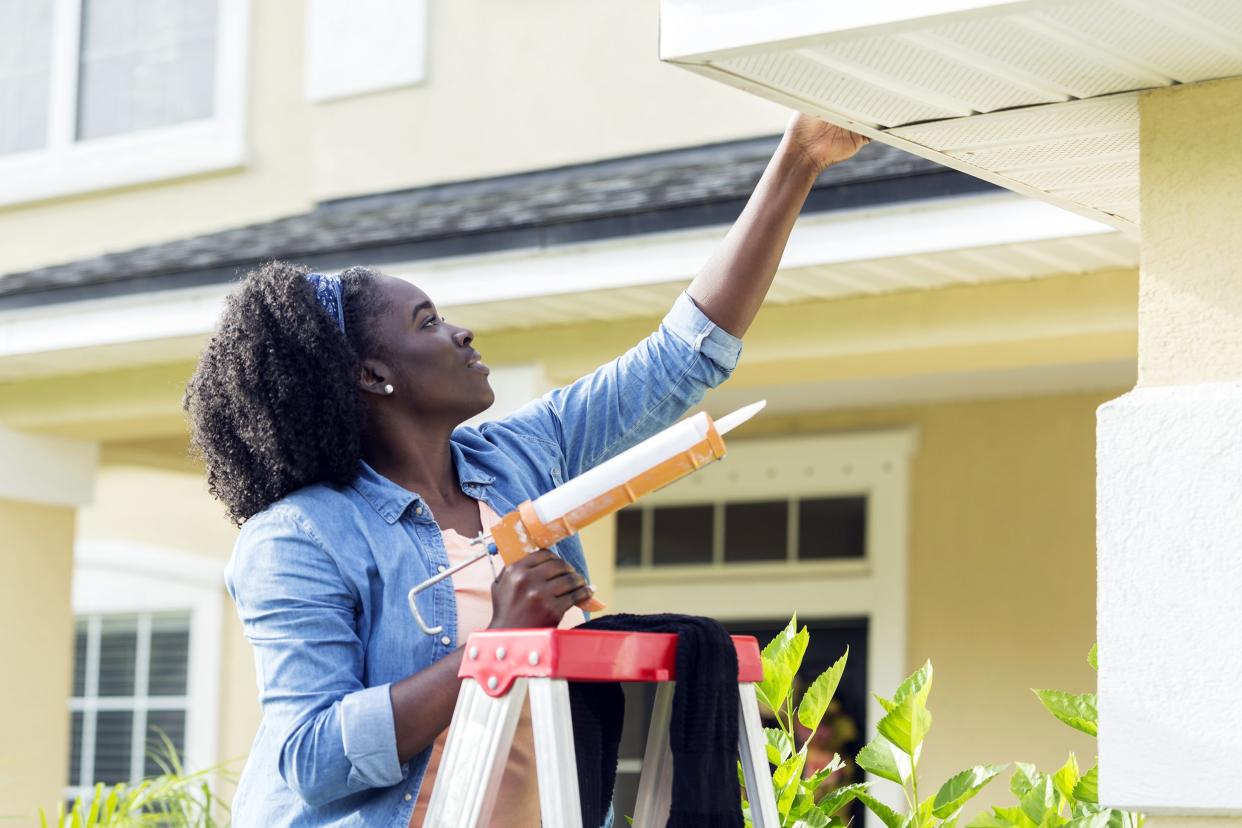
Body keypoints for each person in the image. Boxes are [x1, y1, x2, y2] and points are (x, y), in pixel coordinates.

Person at [185, 113, 868, 827]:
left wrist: (800, 158)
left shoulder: (518, 460)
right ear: (371, 375)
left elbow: (682, 356)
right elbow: (312, 758)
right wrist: (497, 649)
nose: (460, 332)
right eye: (426, 322)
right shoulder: (299, 537)